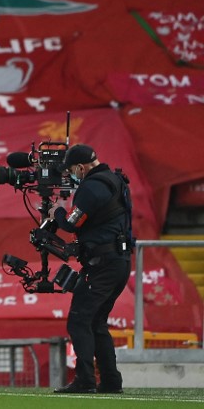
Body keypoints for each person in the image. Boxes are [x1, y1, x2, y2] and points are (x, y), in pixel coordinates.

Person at [52, 144, 133, 394]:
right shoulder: (116, 180)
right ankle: (110, 381)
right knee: (96, 322)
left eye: (72, 170)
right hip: (118, 261)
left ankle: (85, 379)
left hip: (103, 263)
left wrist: (57, 213)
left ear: (80, 167)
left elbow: (72, 224)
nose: (72, 175)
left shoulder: (92, 187)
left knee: (79, 320)